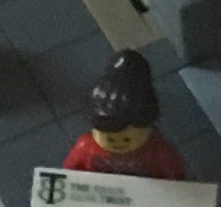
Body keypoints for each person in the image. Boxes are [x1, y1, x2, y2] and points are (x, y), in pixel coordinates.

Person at [63, 49, 189, 182]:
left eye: (126, 139)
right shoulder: (87, 147)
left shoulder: (157, 151)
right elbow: (69, 171)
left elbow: (175, 178)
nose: (118, 144)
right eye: (110, 139)